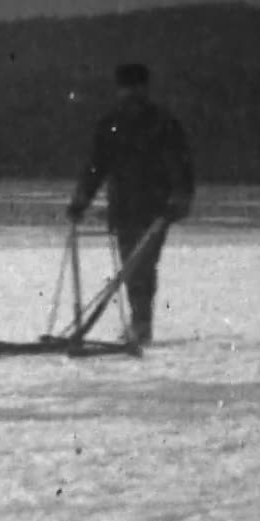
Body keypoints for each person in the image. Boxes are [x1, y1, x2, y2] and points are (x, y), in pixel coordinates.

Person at [66, 63, 194, 345]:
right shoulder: (111, 124)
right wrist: (80, 201)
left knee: (141, 267)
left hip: (155, 209)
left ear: (144, 89)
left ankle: (140, 325)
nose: (129, 94)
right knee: (132, 267)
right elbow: (96, 168)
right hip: (124, 208)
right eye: (126, 88)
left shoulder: (162, 123)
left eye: (134, 88)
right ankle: (139, 323)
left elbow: (180, 166)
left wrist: (179, 199)